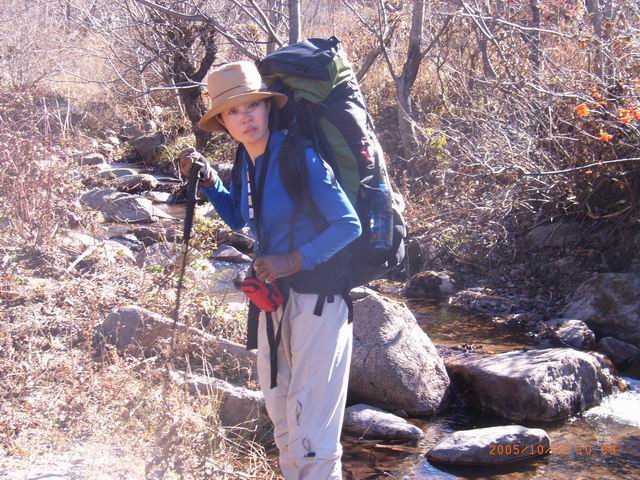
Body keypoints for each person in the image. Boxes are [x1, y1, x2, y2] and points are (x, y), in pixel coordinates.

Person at [179, 61, 361, 480]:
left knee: (313, 436)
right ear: (223, 123)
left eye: (252, 106)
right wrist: (210, 182)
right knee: (283, 420)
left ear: (266, 107)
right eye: (233, 111)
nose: (245, 117)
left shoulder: (300, 156)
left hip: (319, 301)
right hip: (274, 301)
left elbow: (348, 225)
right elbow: (241, 217)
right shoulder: (247, 162)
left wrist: (292, 260)